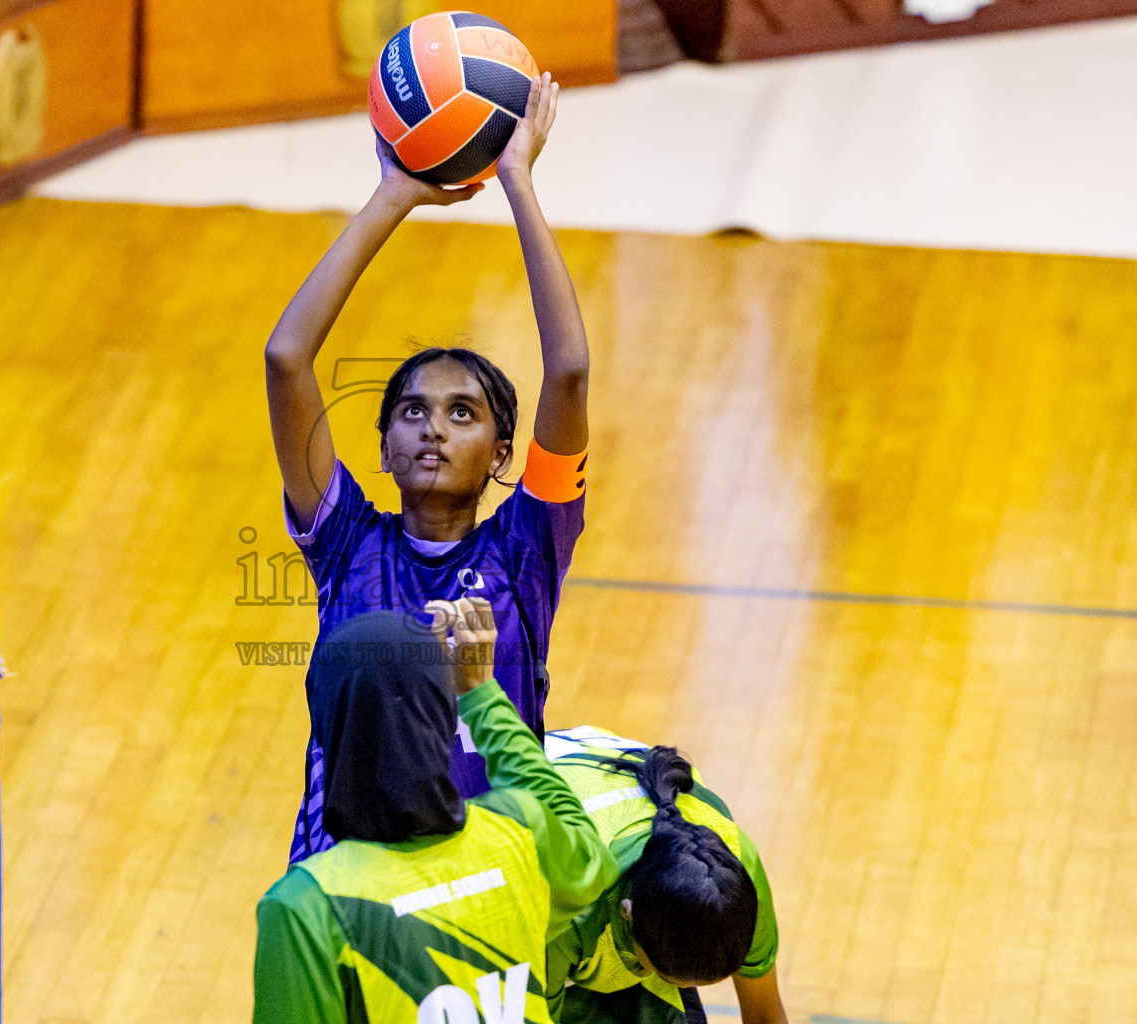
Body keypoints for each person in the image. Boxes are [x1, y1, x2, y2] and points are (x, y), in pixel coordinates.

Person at [265, 72, 590, 863]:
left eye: (462, 412)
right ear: (382, 449)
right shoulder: (344, 543)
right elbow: (286, 358)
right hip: (347, 880)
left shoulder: (526, 549)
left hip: (487, 883)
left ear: (503, 457)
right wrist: (393, 195)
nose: (432, 429)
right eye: (411, 411)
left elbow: (570, 369)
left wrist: (518, 178)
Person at [253, 599, 616, 1024]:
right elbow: (591, 854)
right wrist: (481, 695)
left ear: (329, 724)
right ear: (442, 715)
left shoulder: (307, 907)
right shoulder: (521, 832)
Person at [541, 728, 789, 1024]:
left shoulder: (737, 877)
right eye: (666, 973)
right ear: (628, 911)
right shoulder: (568, 903)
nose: (686, 987)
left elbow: (764, 1016)